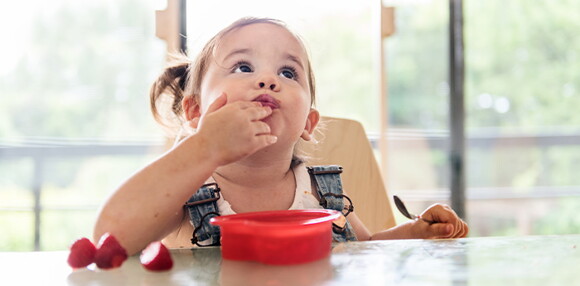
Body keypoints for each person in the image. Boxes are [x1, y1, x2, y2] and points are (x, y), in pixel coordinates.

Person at [93, 17, 468, 256]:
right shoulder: (185, 187)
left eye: (288, 73)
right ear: (195, 113)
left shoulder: (320, 191)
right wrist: (203, 147)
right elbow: (109, 239)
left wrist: (416, 233)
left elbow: (364, 253)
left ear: (308, 121)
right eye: (243, 67)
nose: (269, 79)